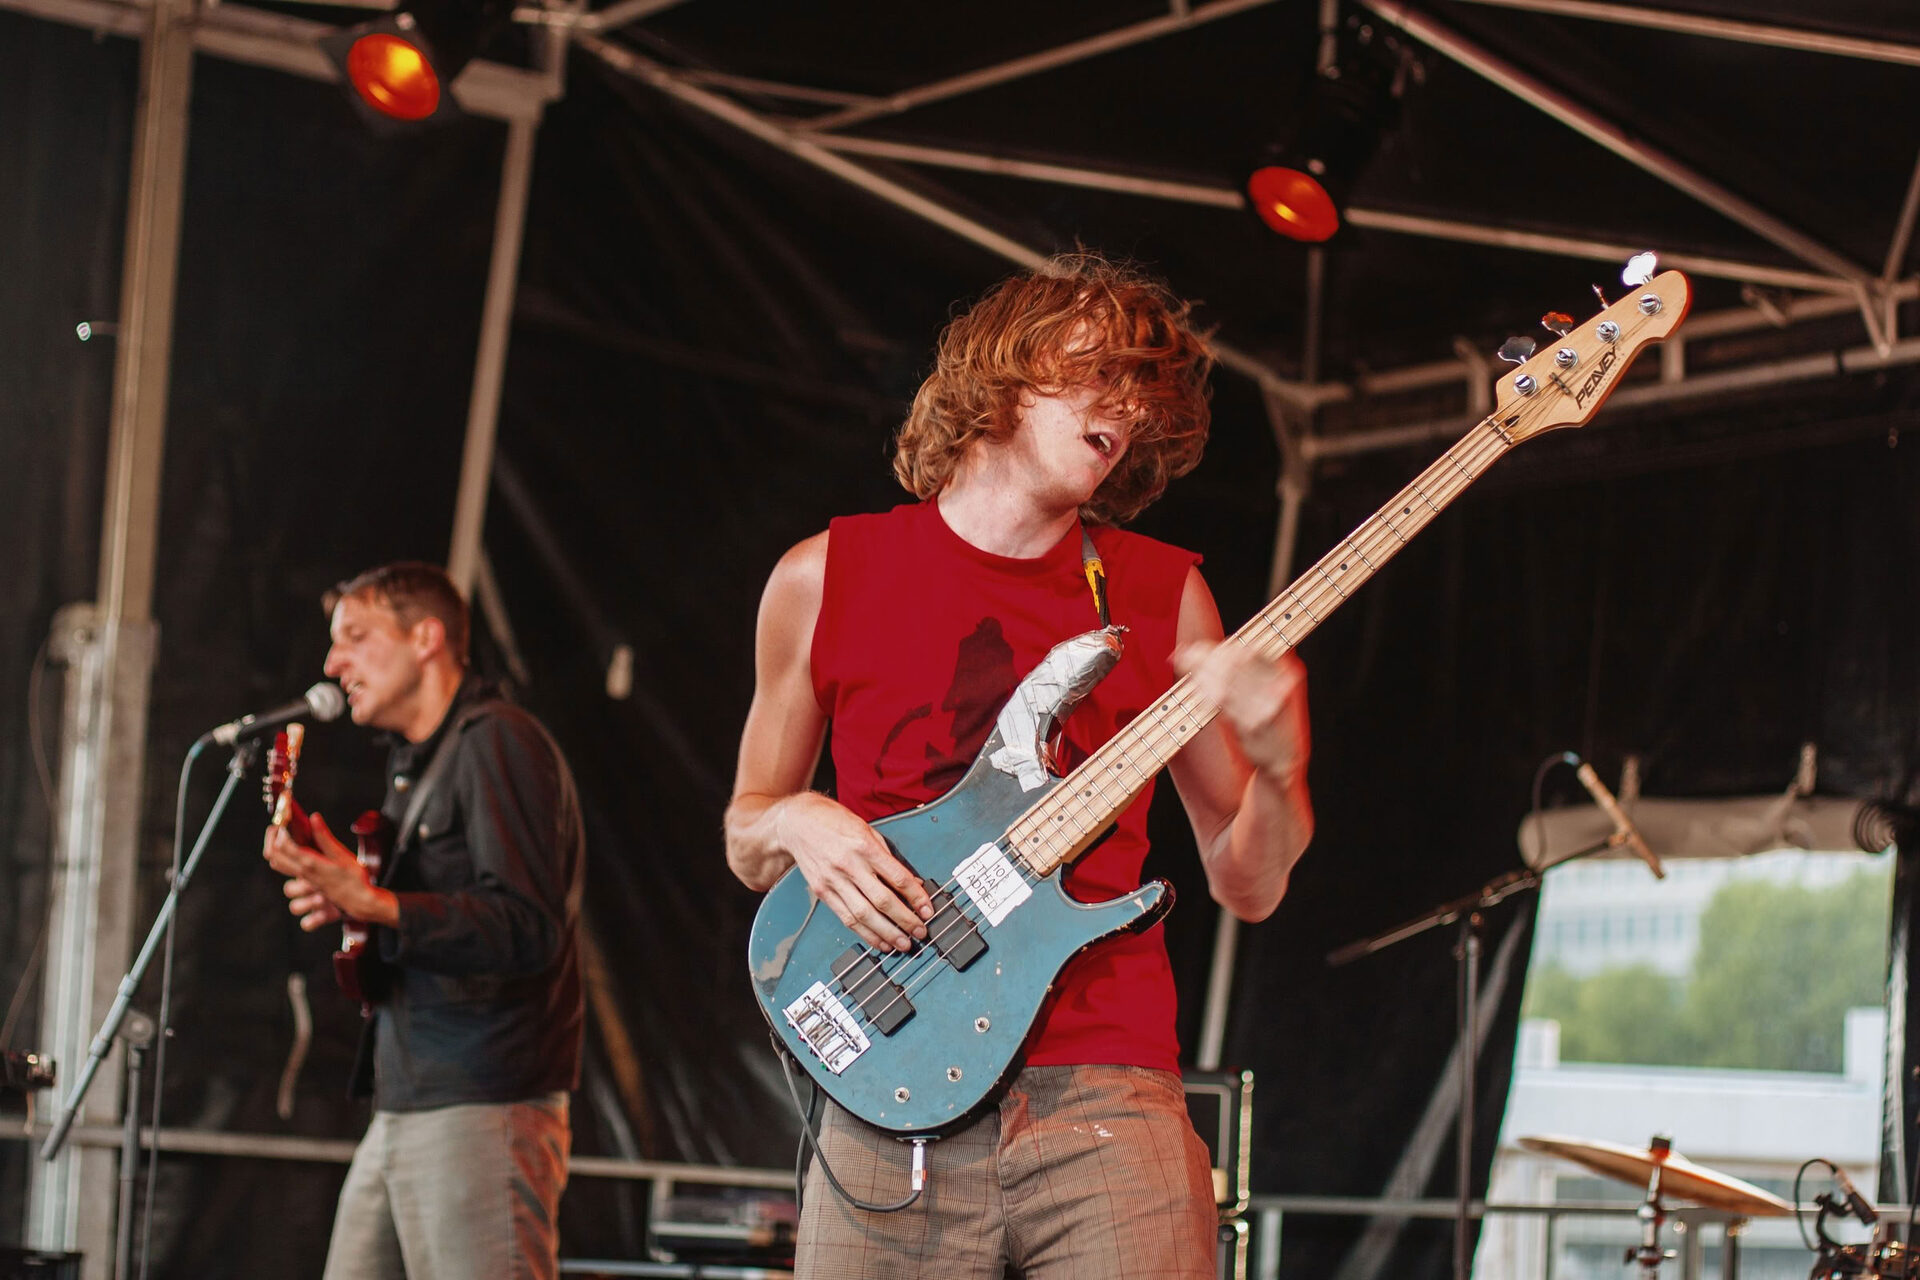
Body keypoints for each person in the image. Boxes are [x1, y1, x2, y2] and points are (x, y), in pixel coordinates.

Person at [725, 253, 1314, 1279]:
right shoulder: (822, 576)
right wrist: (797, 820)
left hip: (1106, 1095)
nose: (1124, 407)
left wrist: (1280, 767)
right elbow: (744, 833)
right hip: (887, 1083)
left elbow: (1247, 881)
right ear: (1004, 368)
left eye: (1142, 392)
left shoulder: (1161, 594)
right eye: (1099, 371)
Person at [262, 561, 586, 1280]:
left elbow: (527, 928)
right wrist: (360, 901)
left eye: (355, 636)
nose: (331, 661)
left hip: (482, 1098)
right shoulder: (419, 765)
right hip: (411, 1093)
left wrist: (375, 902)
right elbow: (435, 914)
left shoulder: (499, 741)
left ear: (426, 638)